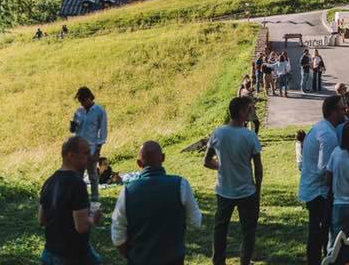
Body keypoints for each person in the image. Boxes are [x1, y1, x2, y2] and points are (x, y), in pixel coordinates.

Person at [110, 141, 202, 265]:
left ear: (139, 163)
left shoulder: (127, 191)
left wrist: (130, 254)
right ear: (163, 158)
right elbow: (196, 221)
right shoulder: (181, 185)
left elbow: (117, 234)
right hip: (173, 259)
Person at [204, 96, 263, 265]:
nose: (252, 111)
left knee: (220, 229)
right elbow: (258, 168)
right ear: (242, 112)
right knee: (248, 231)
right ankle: (245, 261)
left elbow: (207, 161)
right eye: (250, 109)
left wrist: (222, 166)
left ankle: (218, 261)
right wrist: (257, 189)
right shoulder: (250, 136)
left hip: (224, 190)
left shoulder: (218, 133)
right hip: (247, 191)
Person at [38, 136, 102, 265]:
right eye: (85, 153)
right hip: (73, 256)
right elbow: (81, 227)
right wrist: (94, 216)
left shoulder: (49, 181)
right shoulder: (77, 183)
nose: (90, 157)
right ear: (71, 156)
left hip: (49, 253)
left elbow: (41, 220)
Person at [299, 94, 344, 265]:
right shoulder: (328, 135)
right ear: (333, 112)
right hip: (319, 192)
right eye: (341, 109)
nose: (344, 112)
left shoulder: (321, 127)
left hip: (314, 189)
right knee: (320, 232)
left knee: (317, 232)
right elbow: (324, 169)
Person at [71, 87, 108, 201]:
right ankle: (80, 199)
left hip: (91, 148)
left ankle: (95, 200)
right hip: (78, 148)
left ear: (89, 98)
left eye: (83, 101)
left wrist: (98, 150)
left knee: (93, 176)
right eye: (80, 102)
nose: (81, 104)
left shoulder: (99, 111)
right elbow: (74, 131)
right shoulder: (78, 112)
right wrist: (72, 127)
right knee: (78, 176)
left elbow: (103, 131)